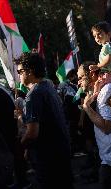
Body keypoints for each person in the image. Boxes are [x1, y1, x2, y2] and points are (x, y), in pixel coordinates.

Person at [15, 52, 73, 189]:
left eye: (19, 71)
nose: (18, 74)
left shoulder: (33, 95)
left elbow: (32, 133)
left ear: (29, 71)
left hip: (47, 157)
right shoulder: (48, 86)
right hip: (61, 150)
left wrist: (20, 147)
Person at [79, 64, 111, 189]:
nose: (79, 82)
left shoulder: (107, 90)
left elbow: (107, 127)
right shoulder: (102, 90)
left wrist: (86, 108)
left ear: (93, 74)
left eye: (81, 77)